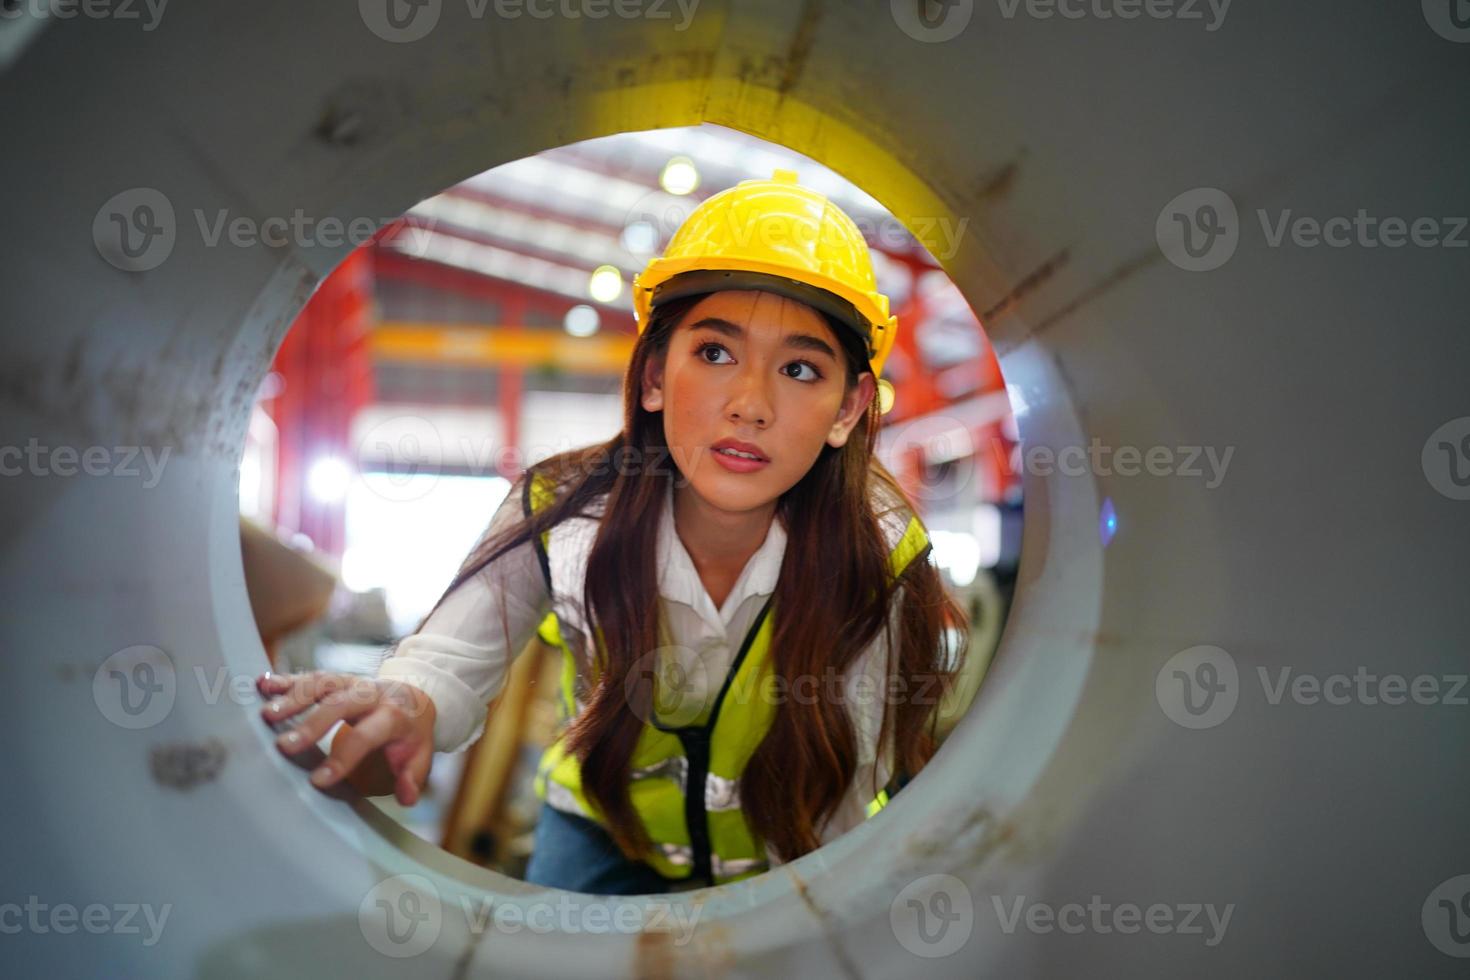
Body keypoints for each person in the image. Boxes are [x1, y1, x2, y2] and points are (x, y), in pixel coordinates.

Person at [256, 169, 969, 895]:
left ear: (848, 410)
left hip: (791, 849)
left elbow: (848, 805)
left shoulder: (880, 555)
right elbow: (447, 663)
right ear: (655, 375)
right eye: (715, 353)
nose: (751, 405)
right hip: (599, 835)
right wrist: (405, 703)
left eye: (799, 368)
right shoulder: (562, 512)